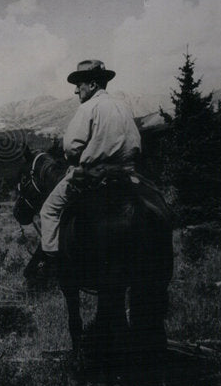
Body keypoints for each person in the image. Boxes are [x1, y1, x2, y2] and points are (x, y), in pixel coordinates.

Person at [32, 59, 141, 282]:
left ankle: (53, 264)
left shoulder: (88, 108)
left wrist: (76, 158)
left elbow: (72, 147)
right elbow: (136, 143)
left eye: (79, 84)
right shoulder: (123, 106)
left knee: (49, 210)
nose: (75, 90)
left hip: (93, 176)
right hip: (127, 174)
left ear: (91, 85)